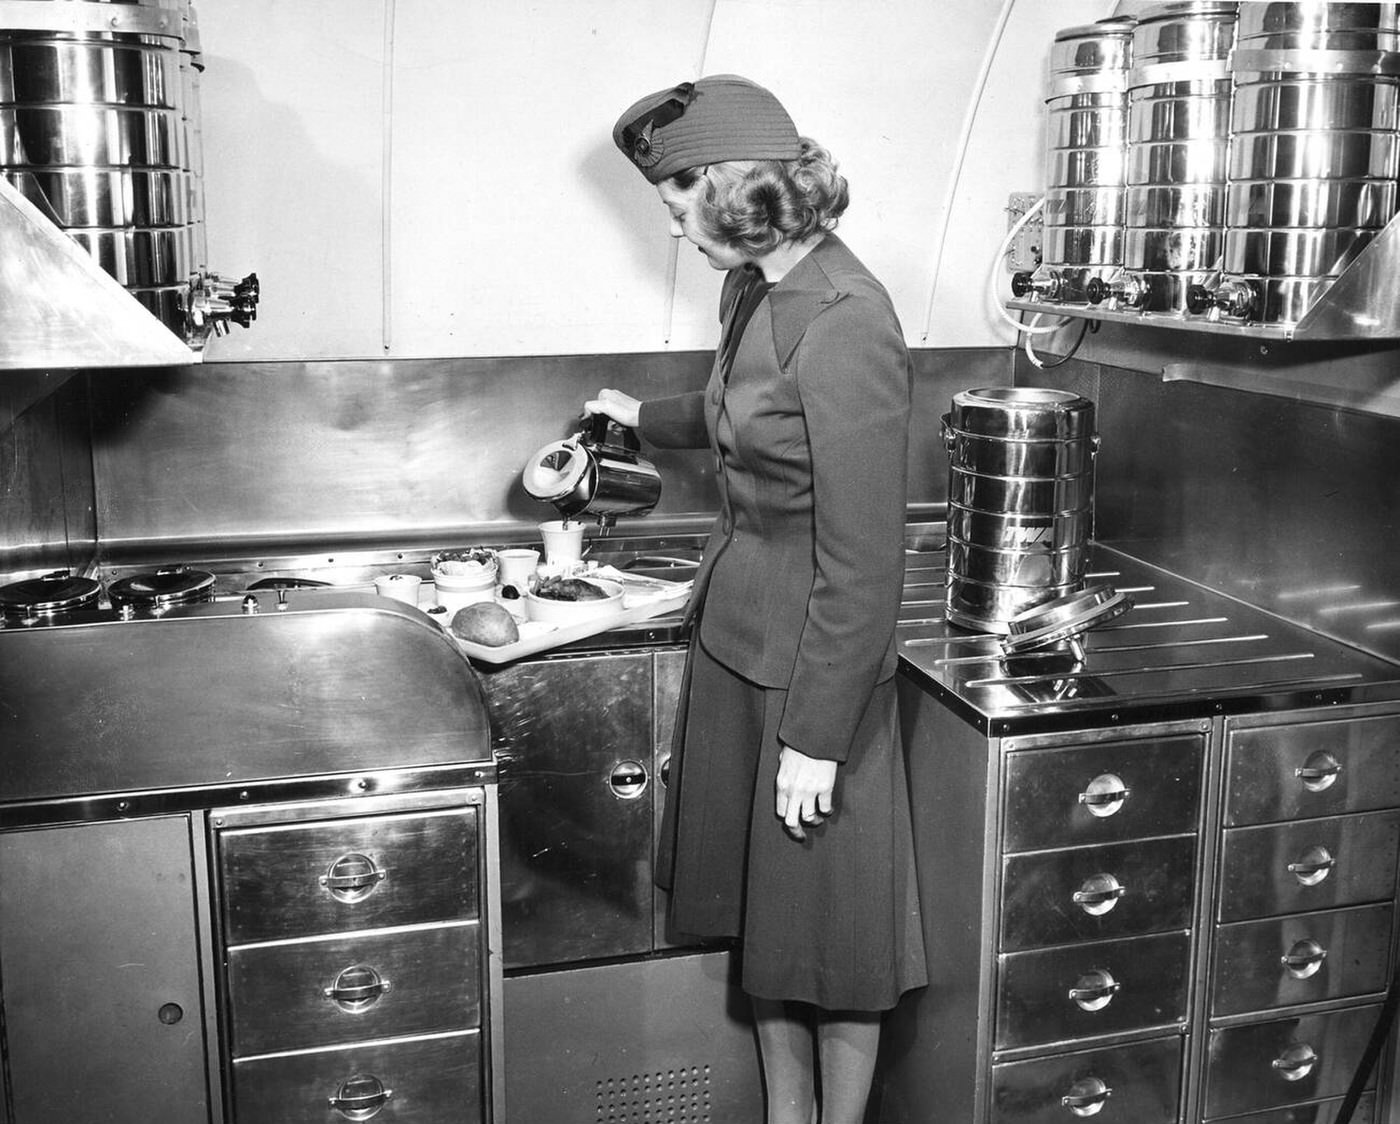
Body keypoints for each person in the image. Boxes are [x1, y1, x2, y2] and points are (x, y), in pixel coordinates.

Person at [586, 74, 926, 1124]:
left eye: (679, 203)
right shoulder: (752, 286)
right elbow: (740, 412)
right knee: (767, 923)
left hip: (812, 673)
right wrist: (632, 413)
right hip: (737, 643)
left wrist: (818, 736)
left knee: (832, 934)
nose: (675, 228)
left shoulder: (846, 317)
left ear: (733, 188)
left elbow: (864, 563)